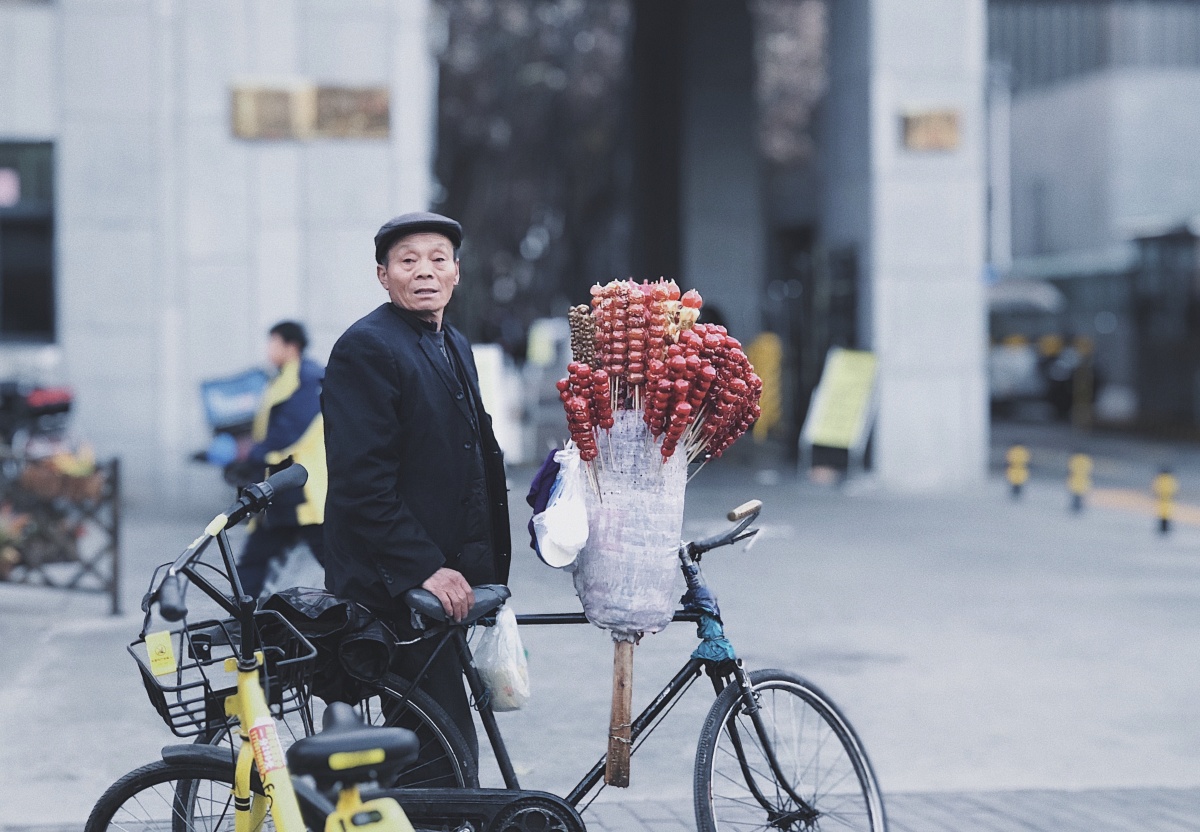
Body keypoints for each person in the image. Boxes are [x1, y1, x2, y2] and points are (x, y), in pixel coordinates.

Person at [322, 211, 511, 761]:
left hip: (443, 584)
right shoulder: (368, 347)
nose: (424, 271)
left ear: (456, 271)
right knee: (438, 753)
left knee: (441, 743)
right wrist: (423, 567)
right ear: (383, 275)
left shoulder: (452, 342)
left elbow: (471, 456)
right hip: (395, 586)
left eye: (438, 259)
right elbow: (363, 483)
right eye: (408, 261)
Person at [233, 321, 327, 599]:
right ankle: (241, 618)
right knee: (255, 556)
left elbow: (289, 430)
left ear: (291, 346)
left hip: (302, 487)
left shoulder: (307, 378)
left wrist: (250, 453)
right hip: (282, 484)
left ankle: (367, 614)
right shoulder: (284, 376)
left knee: (333, 560)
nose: (268, 349)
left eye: (273, 342)